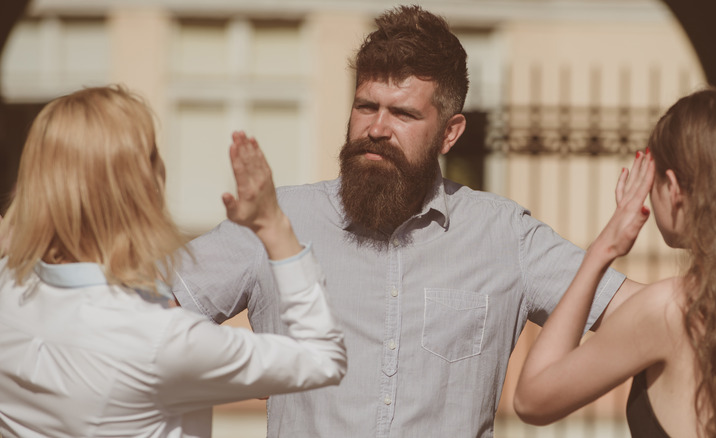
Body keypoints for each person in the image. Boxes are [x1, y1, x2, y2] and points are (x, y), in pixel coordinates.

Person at [173, 5, 642, 437]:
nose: (377, 128)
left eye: (402, 113)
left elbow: (647, 314)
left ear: (450, 132)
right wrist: (248, 366)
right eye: (366, 106)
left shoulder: (504, 235)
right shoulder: (275, 221)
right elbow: (140, 312)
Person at [0, 86, 347, 438]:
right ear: (138, 188)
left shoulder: (9, 286)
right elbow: (323, 359)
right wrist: (272, 223)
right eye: (152, 154)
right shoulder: (161, 340)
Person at [513, 88, 716, 437]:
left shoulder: (670, 311)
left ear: (673, 189)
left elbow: (532, 399)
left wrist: (602, 250)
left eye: (652, 181)